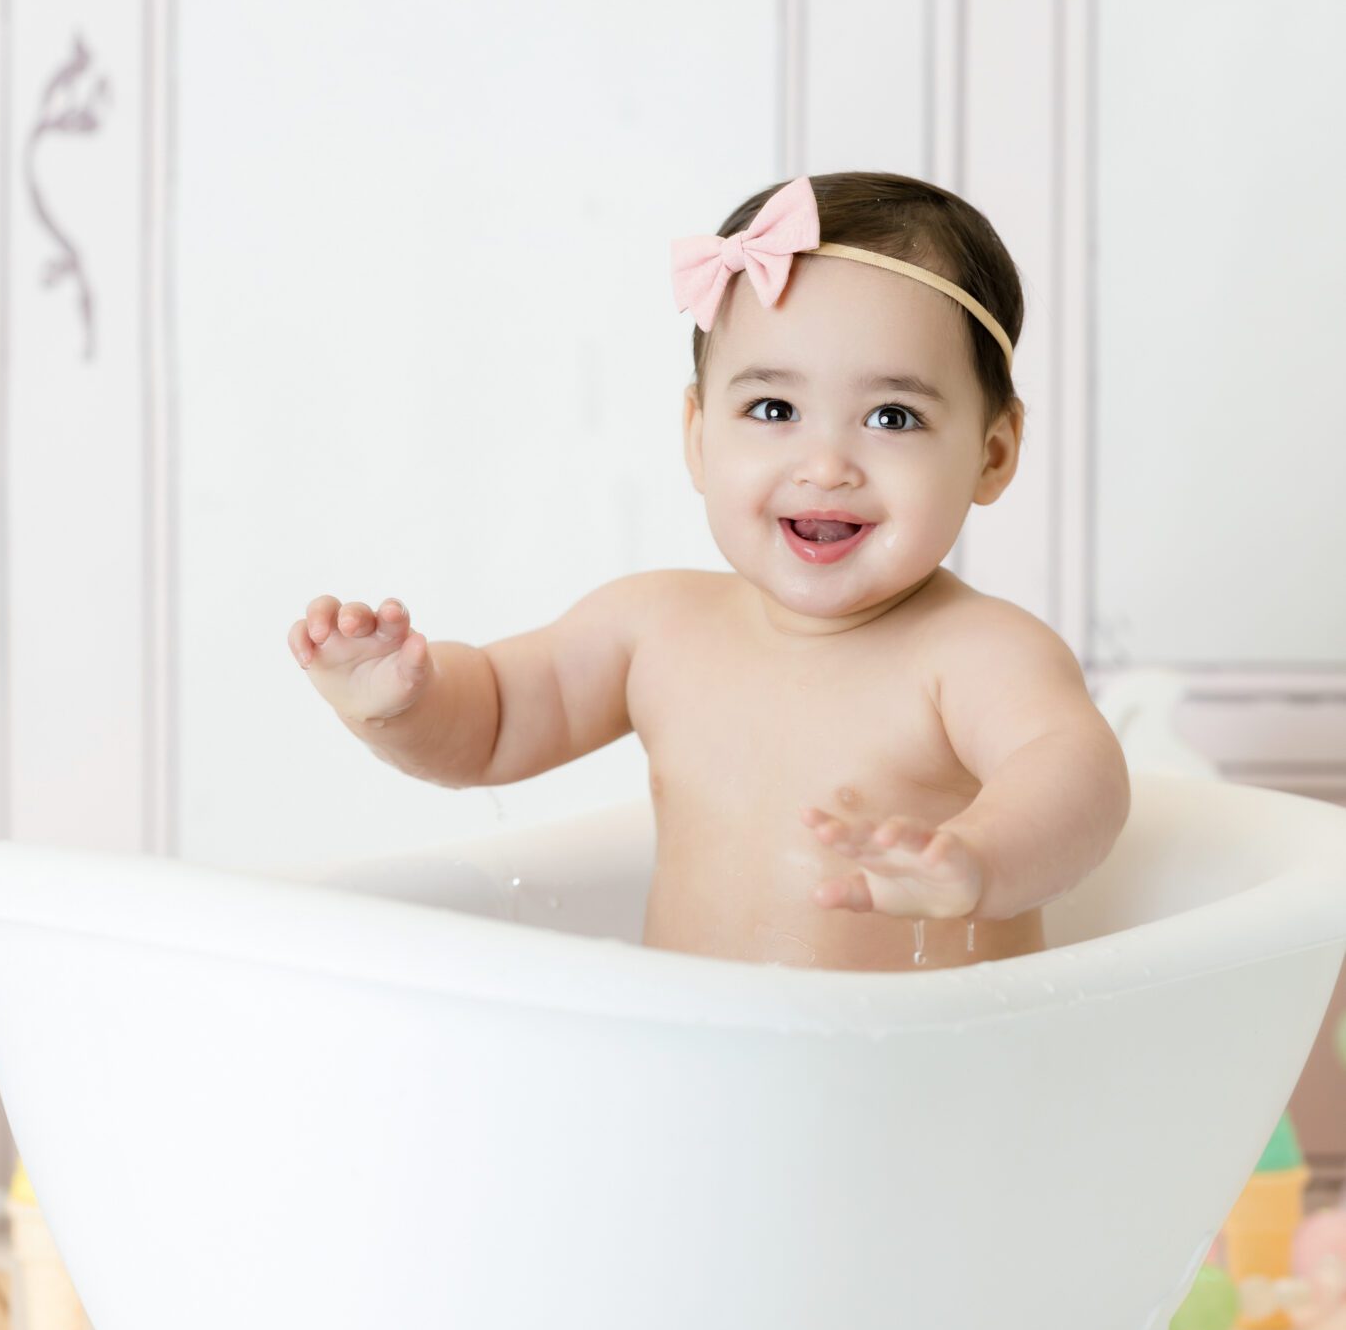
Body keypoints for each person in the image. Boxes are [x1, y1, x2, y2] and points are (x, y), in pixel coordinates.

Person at [288, 171, 1129, 972]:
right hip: (704, 1076)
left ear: (992, 453)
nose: (825, 463)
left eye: (891, 415)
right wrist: (403, 703)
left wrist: (979, 858)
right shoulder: (653, 627)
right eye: (773, 409)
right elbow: (499, 718)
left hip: (918, 1088)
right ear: (697, 435)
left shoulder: (975, 654)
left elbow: (1073, 776)